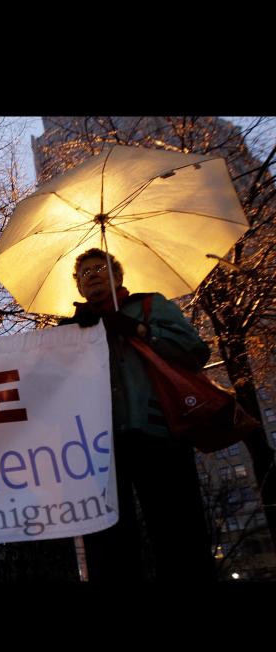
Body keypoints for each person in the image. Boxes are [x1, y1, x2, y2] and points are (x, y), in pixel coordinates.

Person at [60, 248, 216, 581]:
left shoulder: (151, 306)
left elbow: (194, 351)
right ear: (78, 286)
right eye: (84, 272)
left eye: (100, 267)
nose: (93, 274)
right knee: (108, 548)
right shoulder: (71, 329)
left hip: (159, 435)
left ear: (117, 275)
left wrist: (139, 330)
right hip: (100, 451)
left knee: (179, 537)